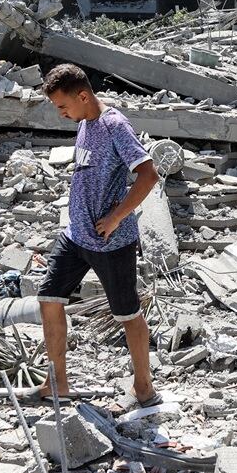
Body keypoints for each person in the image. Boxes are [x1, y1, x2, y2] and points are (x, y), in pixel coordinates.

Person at [37, 64, 161, 405]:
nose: (61, 114)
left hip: (110, 243)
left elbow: (149, 175)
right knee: (49, 299)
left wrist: (116, 217)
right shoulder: (84, 122)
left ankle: (144, 387)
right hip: (76, 235)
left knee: (127, 314)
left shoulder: (113, 125)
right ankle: (57, 382)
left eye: (63, 107)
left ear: (82, 95)